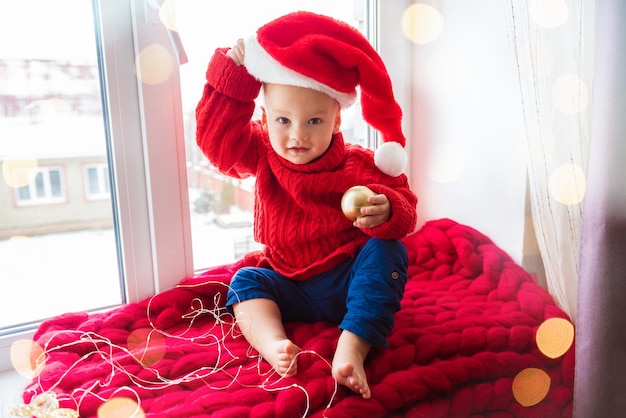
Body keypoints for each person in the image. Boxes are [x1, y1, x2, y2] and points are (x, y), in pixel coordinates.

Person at [195, 11, 418, 399]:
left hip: (347, 279)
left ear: (336, 121)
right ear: (265, 120)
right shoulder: (262, 153)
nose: (297, 135)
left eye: (313, 121)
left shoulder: (359, 165)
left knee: (388, 250)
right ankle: (273, 343)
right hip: (289, 282)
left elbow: (407, 209)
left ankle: (354, 345)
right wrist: (231, 75)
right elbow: (217, 144)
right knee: (245, 280)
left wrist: (388, 209)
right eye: (283, 120)